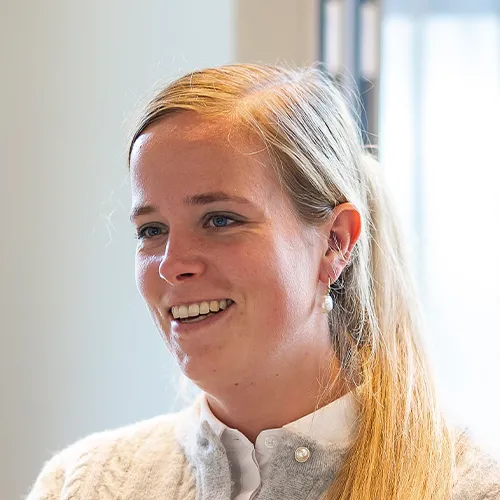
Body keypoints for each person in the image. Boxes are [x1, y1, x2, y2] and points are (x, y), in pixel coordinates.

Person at [27, 63, 500, 500]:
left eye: (220, 220)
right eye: (152, 230)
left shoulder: (468, 488)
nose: (172, 265)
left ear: (335, 242)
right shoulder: (79, 484)